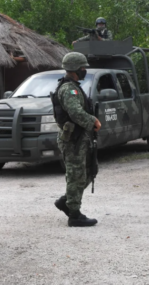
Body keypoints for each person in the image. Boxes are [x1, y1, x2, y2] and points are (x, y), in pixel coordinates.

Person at [52, 52, 102, 227]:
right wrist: (93, 121)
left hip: (79, 138)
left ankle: (66, 201)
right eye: (82, 68)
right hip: (73, 140)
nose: (84, 70)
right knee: (76, 176)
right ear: (74, 69)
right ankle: (74, 214)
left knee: (90, 171)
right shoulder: (69, 89)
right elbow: (75, 112)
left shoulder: (73, 86)